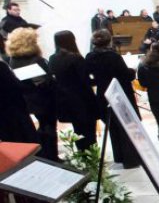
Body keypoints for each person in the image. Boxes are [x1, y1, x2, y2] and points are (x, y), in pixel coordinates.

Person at [85, 29, 141, 168]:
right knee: (125, 126)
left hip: (103, 94)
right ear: (109, 41)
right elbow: (125, 75)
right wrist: (133, 71)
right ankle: (130, 160)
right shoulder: (113, 57)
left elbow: (90, 76)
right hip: (118, 93)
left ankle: (119, 156)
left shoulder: (89, 56)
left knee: (113, 126)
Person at [6, 27, 56, 160]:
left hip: (28, 98)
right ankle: (52, 155)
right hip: (44, 97)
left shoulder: (13, 59)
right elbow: (45, 81)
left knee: (43, 125)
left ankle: (46, 154)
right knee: (49, 126)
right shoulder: (36, 59)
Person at [48, 30, 98, 152]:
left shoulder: (53, 58)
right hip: (82, 99)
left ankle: (82, 155)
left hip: (65, 98)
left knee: (78, 130)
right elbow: (85, 80)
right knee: (89, 131)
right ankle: (92, 158)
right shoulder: (76, 58)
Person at [0, 55, 37, 146]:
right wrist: (29, 84)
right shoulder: (1, 67)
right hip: (15, 110)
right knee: (26, 140)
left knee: (10, 143)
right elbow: (15, 86)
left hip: (2, 116)